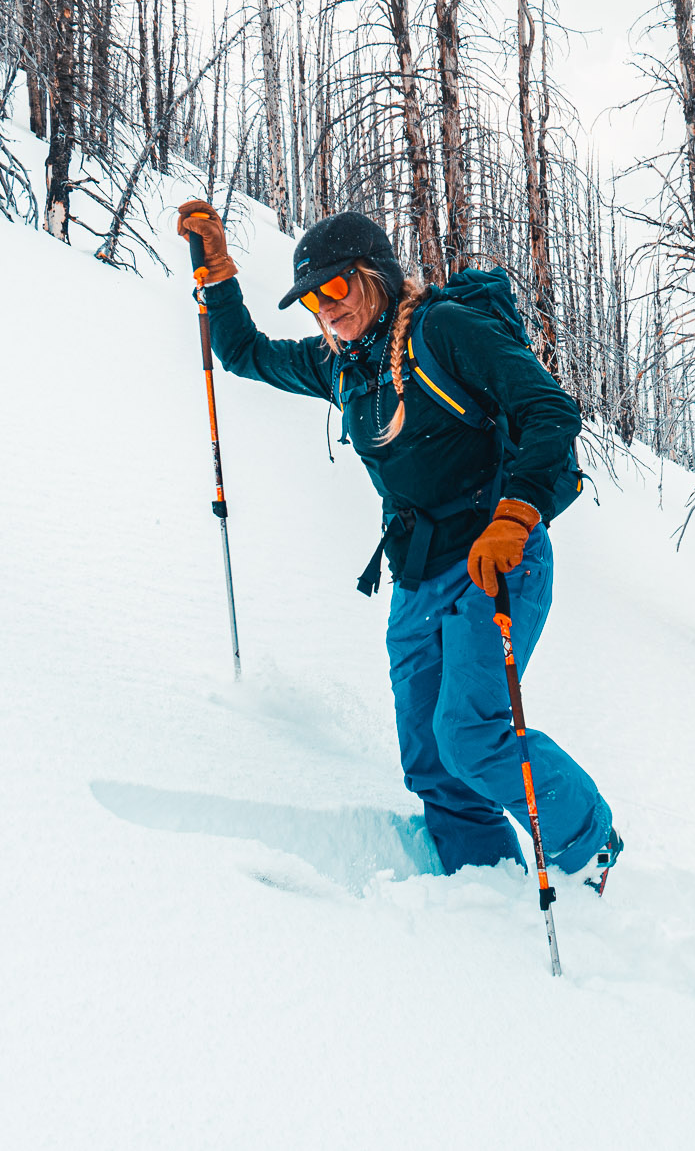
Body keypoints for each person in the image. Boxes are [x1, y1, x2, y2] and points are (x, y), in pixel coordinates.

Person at [177, 201, 619, 886]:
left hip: (498, 557)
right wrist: (218, 272)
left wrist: (516, 512)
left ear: (374, 275)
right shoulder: (343, 365)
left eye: (335, 287)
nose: (327, 309)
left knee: (470, 734)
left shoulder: (442, 330)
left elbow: (549, 409)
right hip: (417, 573)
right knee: (429, 759)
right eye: (312, 300)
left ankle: (590, 847)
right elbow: (245, 354)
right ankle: (484, 882)